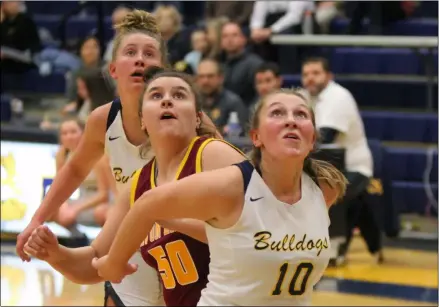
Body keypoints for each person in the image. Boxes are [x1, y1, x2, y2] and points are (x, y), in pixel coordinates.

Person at [16, 9, 219, 307]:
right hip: (130, 252)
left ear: (162, 69)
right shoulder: (103, 120)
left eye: (149, 53)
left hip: (188, 256)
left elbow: (236, 198)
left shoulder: (192, 125)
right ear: (113, 69)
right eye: (130, 52)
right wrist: (37, 220)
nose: (139, 59)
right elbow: (75, 168)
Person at [91, 88, 348, 305]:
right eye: (278, 113)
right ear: (256, 137)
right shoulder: (232, 185)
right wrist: (114, 263)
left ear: (312, 138)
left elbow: (237, 231)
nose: (291, 120)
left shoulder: (324, 187)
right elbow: (146, 203)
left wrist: (174, 223)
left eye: (301, 114)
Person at [23, 69, 247, 306]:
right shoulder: (139, 185)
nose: (167, 100)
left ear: (198, 117)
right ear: (142, 119)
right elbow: (98, 260)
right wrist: (56, 254)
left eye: (180, 95)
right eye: (156, 95)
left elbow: (261, 233)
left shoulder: (212, 155)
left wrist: (167, 219)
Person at [301, 57, 382, 265]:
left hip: (353, 167)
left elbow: (326, 137)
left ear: (329, 76)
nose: (310, 78)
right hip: (330, 165)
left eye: (315, 73)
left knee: (327, 192)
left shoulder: (338, 97)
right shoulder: (306, 97)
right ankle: (376, 246)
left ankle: (333, 248)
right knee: (358, 204)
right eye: (306, 74)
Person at [52, 118, 114, 228]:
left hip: (101, 200)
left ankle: (101, 243)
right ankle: (74, 240)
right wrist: (64, 204)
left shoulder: (97, 155)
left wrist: (75, 208)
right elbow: (59, 187)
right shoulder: (61, 155)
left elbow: (103, 195)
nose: (69, 137)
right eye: (64, 133)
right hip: (82, 198)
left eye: (73, 132)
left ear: (83, 133)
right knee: (52, 210)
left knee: (101, 212)